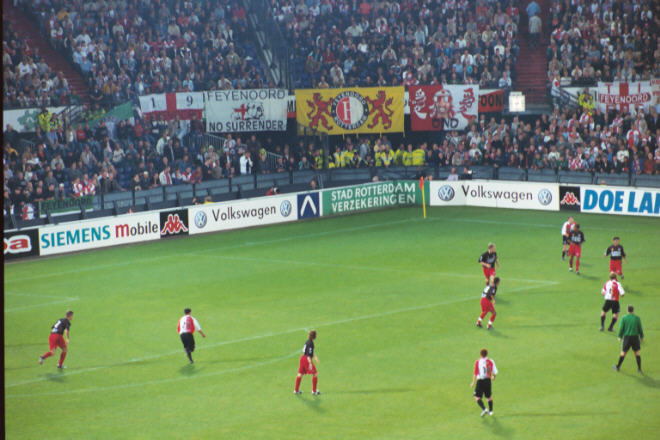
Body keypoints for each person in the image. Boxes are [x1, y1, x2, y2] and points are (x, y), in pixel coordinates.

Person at [613, 305, 644, 373]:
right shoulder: (637, 318)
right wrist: (642, 336)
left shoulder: (624, 318)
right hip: (635, 337)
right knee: (637, 353)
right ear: (633, 310)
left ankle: (618, 367)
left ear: (627, 310)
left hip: (627, 337)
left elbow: (621, 328)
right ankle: (639, 369)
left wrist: (620, 337)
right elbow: (640, 328)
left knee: (623, 352)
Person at [470, 348, 498, 416]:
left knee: (477, 397)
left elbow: (475, 373)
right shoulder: (491, 361)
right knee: (489, 397)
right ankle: (491, 411)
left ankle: (484, 409)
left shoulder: (478, 362)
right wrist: (494, 376)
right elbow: (494, 371)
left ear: (480, 354)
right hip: (488, 381)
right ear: (487, 354)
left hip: (480, 381)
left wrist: (473, 382)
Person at [294, 330, 320, 395]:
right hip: (307, 359)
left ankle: (296, 390)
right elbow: (308, 354)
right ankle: (314, 391)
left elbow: (308, 352)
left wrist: (315, 357)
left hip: (302, 358)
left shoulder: (308, 341)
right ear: (314, 336)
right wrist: (310, 363)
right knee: (315, 374)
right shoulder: (311, 343)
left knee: (300, 374)